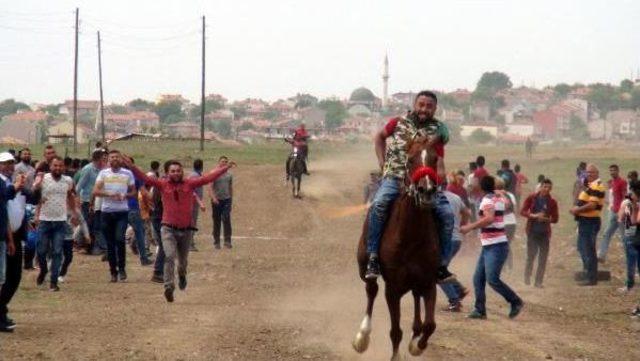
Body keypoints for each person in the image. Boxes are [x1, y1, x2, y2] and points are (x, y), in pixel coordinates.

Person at [365, 90, 455, 282]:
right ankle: (372, 256)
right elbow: (379, 137)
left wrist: (440, 176)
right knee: (378, 204)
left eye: (429, 106)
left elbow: (440, 154)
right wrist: (382, 162)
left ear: (435, 108)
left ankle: (442, 265)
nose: (424, 109)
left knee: (447, 214)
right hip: (394, 177)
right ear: (415, 104)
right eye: (421, 105)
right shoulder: (397, 122)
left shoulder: (438, 130)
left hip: (423, 181)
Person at [124, 155, 235, 303]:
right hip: (168, 228)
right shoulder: (163, 185)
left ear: (182, 172)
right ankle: (168, 286)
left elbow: (208, 178)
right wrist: (132, 167)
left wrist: (224, 168)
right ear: (168, 173)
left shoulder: (189, 184)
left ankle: (182, 275)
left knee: (182, 262)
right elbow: (146, 178)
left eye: (178, 170)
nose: (175, 173)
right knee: (169, 256)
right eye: (172, 171)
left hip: (186, 229)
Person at [461, 175, 524, 320]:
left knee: (492, 279)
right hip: (492, 244)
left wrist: (470, 227)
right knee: (478, 278)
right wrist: (500, 193)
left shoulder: (487, 200)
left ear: (481, 187)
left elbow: (489, 219)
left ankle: (515, 301)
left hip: (495, 245)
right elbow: (508, 205)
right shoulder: (497, 198)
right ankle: (480, 309)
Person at [33, 156, 78, 292]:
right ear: (50, 166)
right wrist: (36, 215)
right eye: (55, 166)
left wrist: (74, 213)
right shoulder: (44, 178)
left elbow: (70, 197)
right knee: (41, 251)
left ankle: (53, 282)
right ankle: (43, 270)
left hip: (60, 221)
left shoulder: (68, 180)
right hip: (45, 220)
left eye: (60, 166)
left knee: (57, 252)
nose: (57, 168)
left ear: (64, 167)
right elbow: (36, 195)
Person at [93, 150, 136, 283]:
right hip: (106, 212)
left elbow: (133, 191)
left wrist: (126, 196)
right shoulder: (103, 173)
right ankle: (113, 271)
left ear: (121, 159)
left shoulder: (127, 173)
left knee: (119, 239)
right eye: (112, 157)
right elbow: (95, 191)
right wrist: (109, 194)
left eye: (117, 157)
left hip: (122, 212)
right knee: (110, 244)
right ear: (108, 160)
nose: (114, 159)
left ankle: (122, 268)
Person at [0, 152, 28, 332]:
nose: (9, 166)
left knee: (12, 277)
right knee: (5, 277)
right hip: (4, 236)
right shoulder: (4, 184)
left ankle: (1, 311)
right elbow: (5, 197)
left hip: (10, 235)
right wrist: (16, 186)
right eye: (5, 163)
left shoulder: (10, 181)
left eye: (11, 163)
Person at [570, 164, 606, 286]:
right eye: (588, 172)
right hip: (585, 221)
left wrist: (577, 210)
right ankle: (589, 274)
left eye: (592, 172)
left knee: (589, 249)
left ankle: (591, 278)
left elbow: (592, 205)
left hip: (590, 221)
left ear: (597, 173)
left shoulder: (597, 186)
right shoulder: (590, 186)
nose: (589, 174)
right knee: (583, 247)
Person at [521, 178, 559, 288]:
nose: (547, 189)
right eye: (545, 187)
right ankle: (527, 276)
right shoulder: (532, 198)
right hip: (532, 231)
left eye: (549, 187)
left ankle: (538, 282)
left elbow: (555, 219)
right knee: (531, 256)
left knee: (543, 258)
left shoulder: (552, 202)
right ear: (541, 186)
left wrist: (546, 220)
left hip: (544, 233)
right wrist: (533, 215)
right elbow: (522, 211)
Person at [440, 190, 471, 312]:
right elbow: (467, 213)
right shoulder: (455, 197)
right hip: (457, 239)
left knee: (438, 272)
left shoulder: (433, 198)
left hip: (446, 240)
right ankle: (459, 290)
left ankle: (454, 301)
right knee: (441, 268)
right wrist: (461, 225)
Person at [76, 150, 107, 255]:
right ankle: (88, 247)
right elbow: (79, 187)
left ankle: (93, 247)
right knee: (89, 224)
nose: (105, 160)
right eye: (103, 158)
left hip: (98, 201)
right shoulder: (88, 169)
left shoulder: (102, 170)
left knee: (95, 225)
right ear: (98, 159)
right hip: (86, 201)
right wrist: (77, 201)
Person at [124, 158, 153, 266]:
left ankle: (111, 254)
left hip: (118, 208)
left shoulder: (117, 176)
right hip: (133, 207)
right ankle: (143, 258)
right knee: (140, 232)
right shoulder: (135, 176)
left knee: (117, 233)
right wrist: (153, 201)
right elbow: (144, 193)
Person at [598, 164, 627, 263]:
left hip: (621, 213)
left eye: (614, 170)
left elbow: (624, 197)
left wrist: (622, 211)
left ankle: (629, 258)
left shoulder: (622, 182)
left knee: (624, 237)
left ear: (618, 171)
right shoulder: (613, 182)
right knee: (606, 233)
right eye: (610, 171)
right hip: (613, 212)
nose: (612, 172)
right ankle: (601, 255)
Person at [617, 181, 640, 294]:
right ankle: (629, 284)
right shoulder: (628, 203)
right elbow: (621, 217)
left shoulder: (632, 204)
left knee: (631, 262)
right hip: (631, 235)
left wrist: (634, 207)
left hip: (632, 235)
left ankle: (629, 285)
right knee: (631, 262)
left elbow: (633, 221)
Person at [209, 156, 234, 249]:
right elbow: (210, 187)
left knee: (226, 219)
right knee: (216, 221)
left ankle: (227, 241)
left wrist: (231, 199)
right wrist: (213, 198)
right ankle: (216, 242)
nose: (224, 163)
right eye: (222, 161)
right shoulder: (214, 173)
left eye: (226, 162)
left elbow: (230, 187)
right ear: (219, 162)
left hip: (226, 200)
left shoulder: (229, 175)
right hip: (216, 200)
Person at [495, 178, 517, 270]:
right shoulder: (510, 195)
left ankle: (504, 265)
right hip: (512, 222)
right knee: (506, 244)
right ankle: (509, 265)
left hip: (503, 222)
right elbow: (514, 208)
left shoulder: (496, 196)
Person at [188, 159, 205, 252]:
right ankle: (190, 243)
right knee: (192, 222)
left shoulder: (194, 175)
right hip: (193, 203)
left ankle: (190, 242)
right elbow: (192, 191)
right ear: (201, 166)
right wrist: (199, 202)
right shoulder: (195, 176)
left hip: (193, 202)